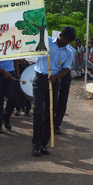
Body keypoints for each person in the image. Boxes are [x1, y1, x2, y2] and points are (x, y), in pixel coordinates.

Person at [32, 26, 76, 157]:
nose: (66, 43)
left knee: (50, 113)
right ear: (61, 35)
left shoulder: (69, 51)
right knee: (38, 112)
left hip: (54, 82)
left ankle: (43, 143)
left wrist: (56, 77)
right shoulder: (47, 42)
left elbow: (66, 69)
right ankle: (36, 143)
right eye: (65, 40)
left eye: (69, 42)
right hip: (40, 79)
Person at [0, 59, 20, 133]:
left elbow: (15, 60)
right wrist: (4, 72)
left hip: (11, 73)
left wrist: (17, 73)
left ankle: (6, 116)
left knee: (13, 97)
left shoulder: (12, 47)